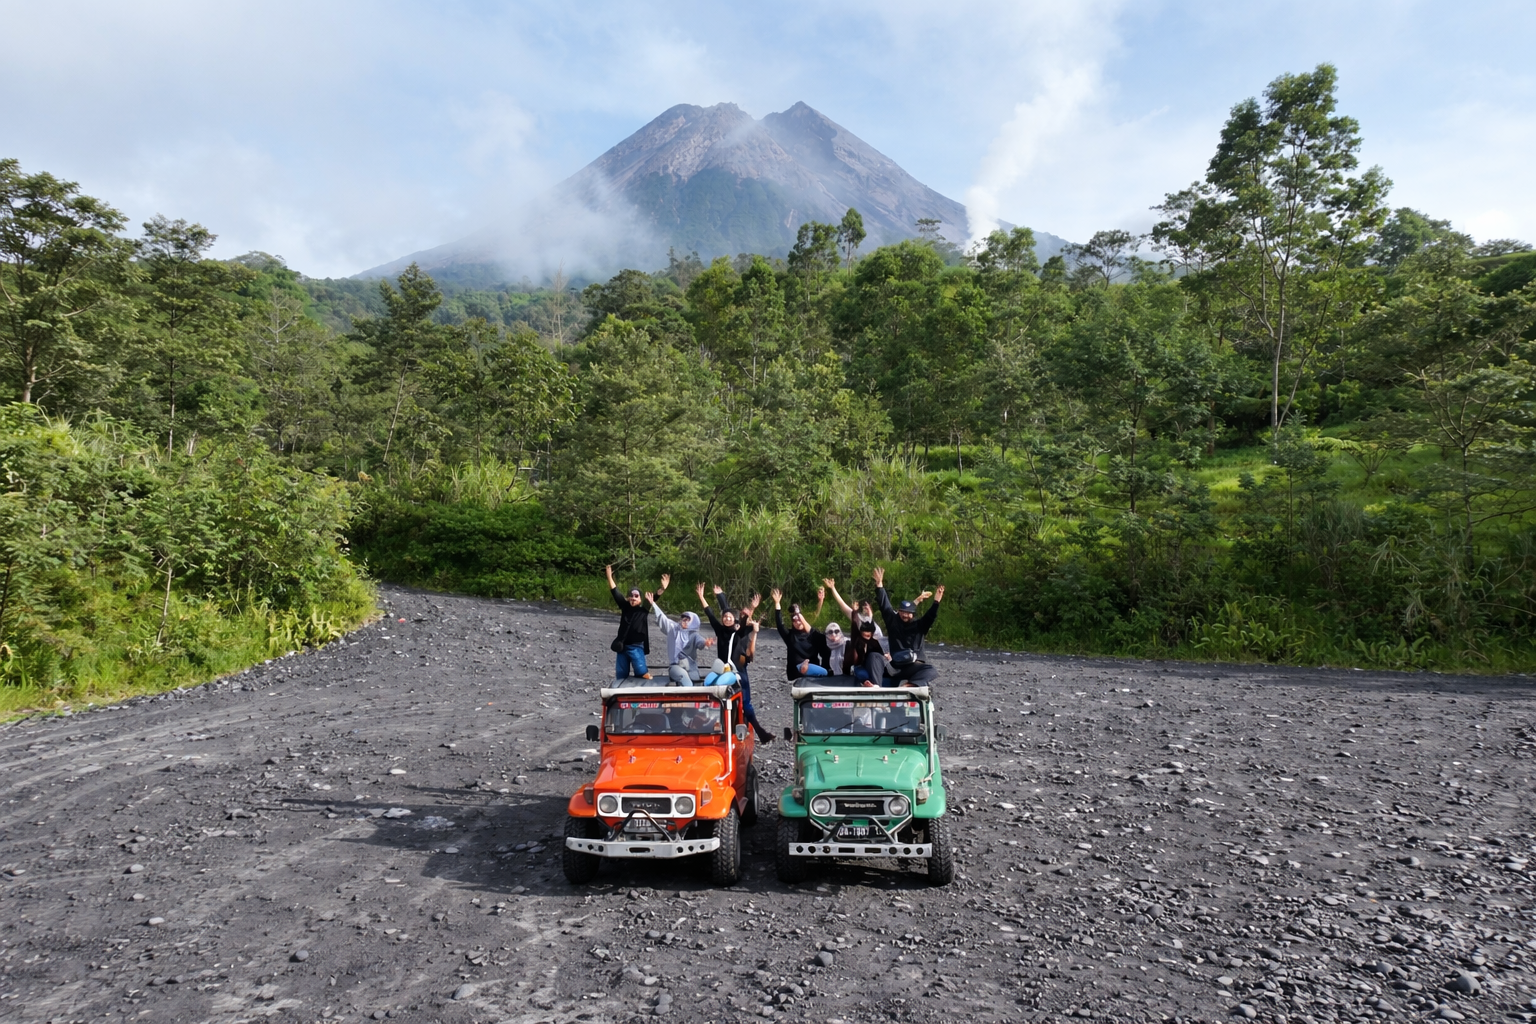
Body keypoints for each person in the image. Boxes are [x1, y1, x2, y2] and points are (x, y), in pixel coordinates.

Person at [698, 582, 772, 743]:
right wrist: (702, 597)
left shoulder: (738, 633)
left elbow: (744, 621)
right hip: (721, 668)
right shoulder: (720, 629)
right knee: (707, 684)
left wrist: (752, 607)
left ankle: (759, 731)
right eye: (725, 617)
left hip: (736, 671)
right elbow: (710, 614)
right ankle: (706, 722)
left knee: (743, 701)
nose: (727, 618)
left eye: (730, 617)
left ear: (734, 620)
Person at [872, 566, 944, 687]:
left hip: (913, 666)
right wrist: (879, 585)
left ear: (913, 614)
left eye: (908, 612)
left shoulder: (919, 626)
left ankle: (908, 686)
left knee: (931, 670)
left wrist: (936, 602)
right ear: (899, 612)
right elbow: (885, 606)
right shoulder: (893, 622)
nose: (905, 615)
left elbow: (930, 616)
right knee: (875, 656)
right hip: (896, 666)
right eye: (902, 612)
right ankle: (884, 686)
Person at [648, 575, 713, 684]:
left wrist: (706, 643)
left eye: (688, 619)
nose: (684, 620)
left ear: (693, 622)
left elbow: (700, 642)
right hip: (676, 667)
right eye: (683, 618)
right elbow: (662, 617)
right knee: (686, 681)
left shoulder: (694, 635)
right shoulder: (673, 628)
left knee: (696, 681)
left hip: (691, 667)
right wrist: (653, 604)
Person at [823, 578, 934, 638]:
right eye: (864, 607)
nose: (866, 608)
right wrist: (833, 588)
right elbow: (842, 605)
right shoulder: (858, 620)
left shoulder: (885, 620)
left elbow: (906, 611)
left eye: (868, 606)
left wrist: (918, 599)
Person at [605, 564, 657, 683]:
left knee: (640, 670)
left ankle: (643, 679)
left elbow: (655, 597)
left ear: (640, 599)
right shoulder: (625, 607)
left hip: (636, 645)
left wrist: (662, 588)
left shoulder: (643, 610)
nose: (633, 598)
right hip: (622, 646)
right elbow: (615, 592)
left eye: (636, 596)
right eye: (631, 596)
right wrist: (609, 577)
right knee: (621, 673)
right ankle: (621, 686)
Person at [772, 589, 831, 681]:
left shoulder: (812, 635)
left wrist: (820, 601)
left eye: (799, 619)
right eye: (794, 621)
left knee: (826, 672)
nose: (797, 622)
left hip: (814, 670)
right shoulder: (790, 635)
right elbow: (780, 625)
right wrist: (777, 604)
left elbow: (815, 615)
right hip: (796, 672)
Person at [846, 618, 888, 686]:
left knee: (874, 657)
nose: (866, 634)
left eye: (868, 633)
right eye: (864, 633)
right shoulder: (857, 641)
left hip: (874, 665)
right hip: (860, 666)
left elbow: (880, 656)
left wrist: (886, 656)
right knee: (862, 674)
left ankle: (875, 685)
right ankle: (867, 683)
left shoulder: (875, 643)